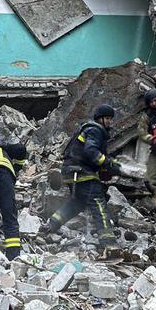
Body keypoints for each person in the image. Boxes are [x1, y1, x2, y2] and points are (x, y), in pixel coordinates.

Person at [43, 104, 123, 249]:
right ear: (100, 119)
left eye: (111, 118)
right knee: (98, 204)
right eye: (107, 118)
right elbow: (91, 151)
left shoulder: (89, 130)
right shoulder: (95, 130)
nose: (110, 121)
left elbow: (90, 155)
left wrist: (107, 165)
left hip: (71, 172)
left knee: (77, 203)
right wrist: (107, 164)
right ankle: (108, 243)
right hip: (82, 174)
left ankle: (51, 225)